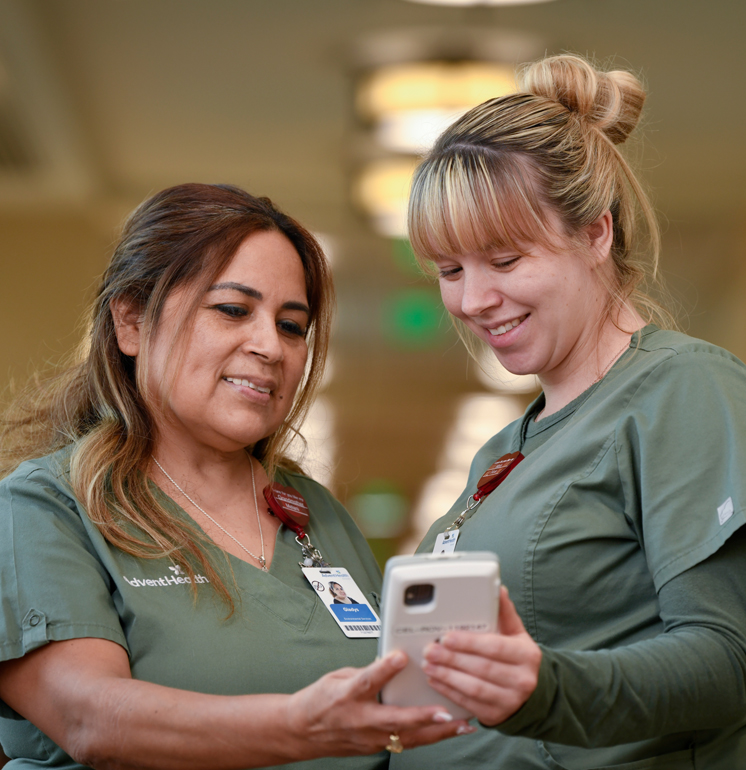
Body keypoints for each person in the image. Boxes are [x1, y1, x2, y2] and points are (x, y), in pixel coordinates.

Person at [0, 184, 473, 769]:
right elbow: (92, 719)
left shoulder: (317, 514)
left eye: (292, 325)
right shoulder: (46, 507)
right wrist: (300, 725)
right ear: (131, 322)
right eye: (232, 310)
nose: (270, 346)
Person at [391, 54, 746, 769]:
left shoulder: (686, 391)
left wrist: (544, 688)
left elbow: (724, 661)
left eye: (504, 261)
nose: (472, 300)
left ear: (597, 233)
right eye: (450, 270)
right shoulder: (504, 449)